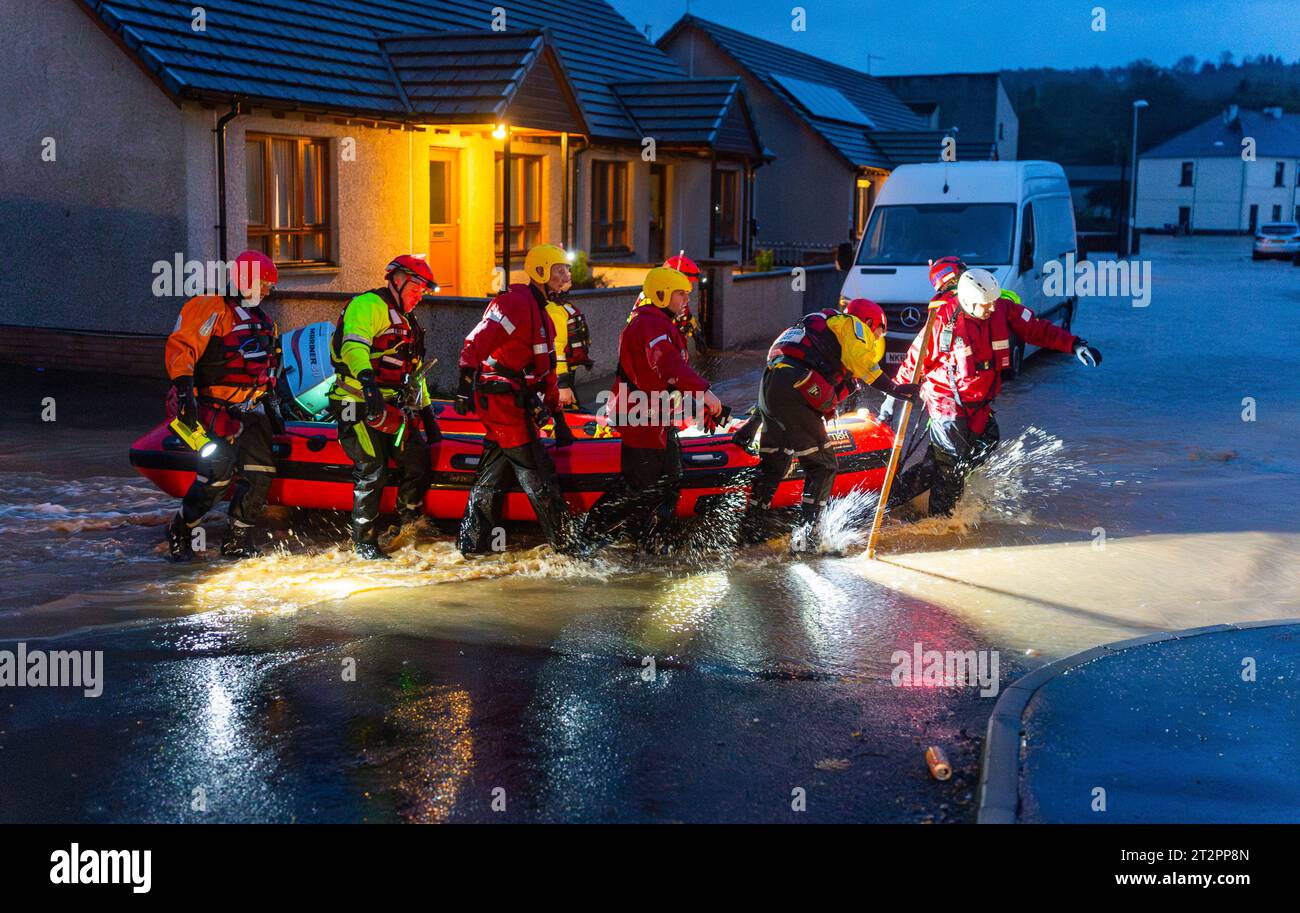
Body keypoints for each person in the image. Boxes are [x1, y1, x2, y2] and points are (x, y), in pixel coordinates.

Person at [886, 268, 1102, 516]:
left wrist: (1074, 345)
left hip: (979, 402)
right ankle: (941, 523)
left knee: (983, 443)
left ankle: (893, 500)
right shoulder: (942, 321)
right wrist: (891, 398)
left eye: (992, 302)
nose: (990, 308)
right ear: (967, 302)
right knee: (951, 464)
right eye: (984, 305)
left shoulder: (1001, 309)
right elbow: (914, 361)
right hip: (946, 400)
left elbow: (1037, 329)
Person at [740, 299, 918, 550]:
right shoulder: (853, 326)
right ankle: (807, 537)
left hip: (770, 387)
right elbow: (861, 361)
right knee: (823, 466)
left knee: (775, 462)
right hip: (797, 388)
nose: (876, 338)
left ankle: (751, 528)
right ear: (868, 322)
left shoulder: (814, 326)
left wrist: (749, 426)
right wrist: (895, 389)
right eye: (878, 331)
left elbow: (783, 366)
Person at [581, 267, 723, 554]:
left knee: (667, 480)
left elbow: (667, 376)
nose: (686, 300)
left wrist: (696, 402)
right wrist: (704, 393)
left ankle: (651, 541)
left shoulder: (659, 323)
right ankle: (590, 535)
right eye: (680, 294)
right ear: (661, 294)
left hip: (655, 416)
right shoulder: (651, 325)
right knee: (641, 485)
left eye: (686, 294)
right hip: (642, 417)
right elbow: (668, 366)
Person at [455, 243, 578, 556]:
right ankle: (568, 549)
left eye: (566, 269)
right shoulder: (514, 303)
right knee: (538, 472)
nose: (566, 274)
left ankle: (472, 545)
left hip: (510, 400)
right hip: (501, 399)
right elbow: (477, 341)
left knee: (492, 473)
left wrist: (558, 417)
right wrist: (463, 384)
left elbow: (547, 373)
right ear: (540, 271)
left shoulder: (543, 317)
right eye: (559, 269)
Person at [164, 249, 287, 560]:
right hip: (214, 409)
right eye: (263, 284)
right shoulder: (210, 309)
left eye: (268, 286)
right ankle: (182, 529)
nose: (266, 291)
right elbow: (183, 347)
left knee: (260, 475)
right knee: (217, 476)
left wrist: (273, 406)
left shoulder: (262, 321)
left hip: (251, 410)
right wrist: (184, 391)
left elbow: (267, 368)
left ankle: (236, 541)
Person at [327, 255, 441, 559]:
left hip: (392, 405)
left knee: (417, 460)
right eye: (416, 288)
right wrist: (369, 386)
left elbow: (414, 372)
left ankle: (409, 525)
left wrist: (429, 416)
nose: (419, 296)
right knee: (372, 468)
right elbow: (354, 347)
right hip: (354, 402)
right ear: (398, 279)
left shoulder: (408, 322)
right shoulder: (368, 306)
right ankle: (363, 542)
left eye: (423, 292)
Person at [545, 290, 594, 411]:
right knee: (569, 416)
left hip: (567, 375)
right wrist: (562, 384)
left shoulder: (563, 306)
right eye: (561, 271)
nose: (568, 275)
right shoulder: (554, 309)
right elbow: (557, 347)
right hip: (560, 379)